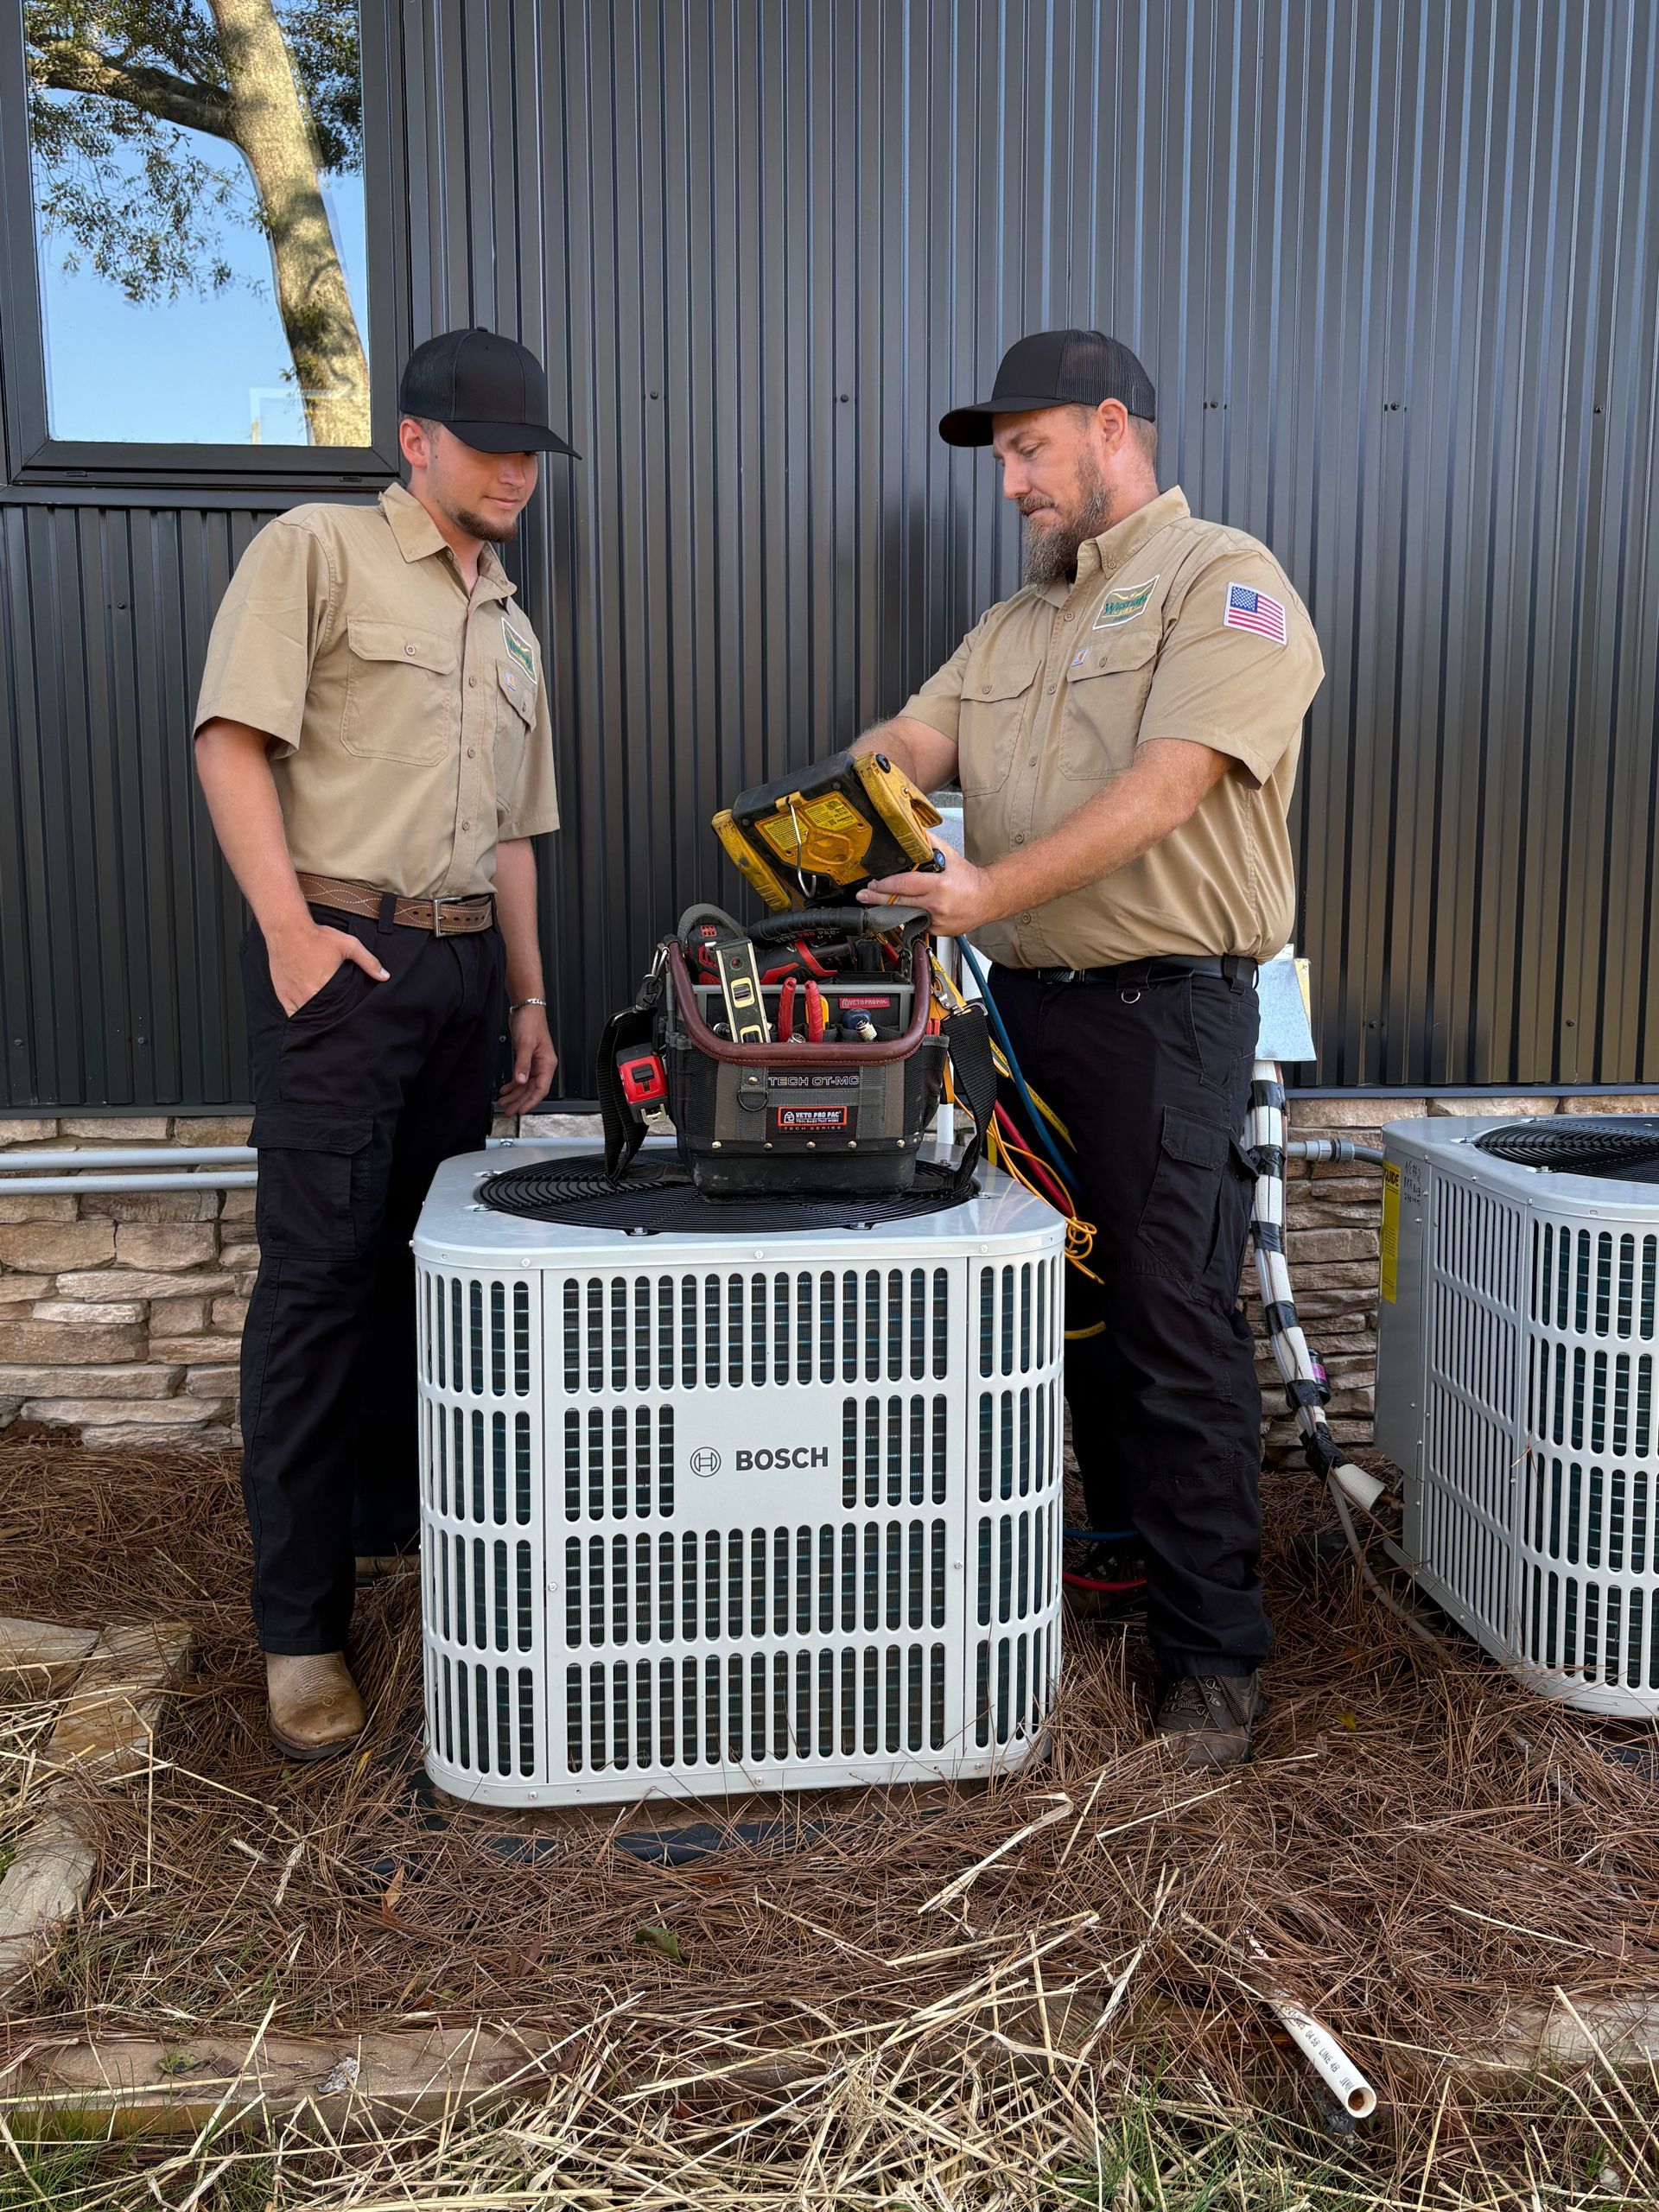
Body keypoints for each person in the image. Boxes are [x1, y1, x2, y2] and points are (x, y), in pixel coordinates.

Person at [853, 328, 1325, 1768]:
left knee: (1176, 1324)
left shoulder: (1226, 586)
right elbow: (910, 746)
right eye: (1001, 458)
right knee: (1076, 1315)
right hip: (1031, 1019)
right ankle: (1116, 1558)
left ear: (1113, 428)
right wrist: (819, 809)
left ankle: (1214, 1659)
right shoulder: (1012, 628)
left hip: (1168, 1016)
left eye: (1027, 449)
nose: (1008, 484)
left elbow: (1172, 784)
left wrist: (986, 892)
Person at [193, 327, 571, 1760]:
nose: (517, 475)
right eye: (492, 449)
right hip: (343, 963)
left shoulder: (514, 618)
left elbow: (521, 831)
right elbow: (231, 737)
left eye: (531, 454)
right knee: (318, 1291)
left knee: (432, 1287)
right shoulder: (318, 551)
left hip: (470, 971)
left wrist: (528, 1000)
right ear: (414, 440)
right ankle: (298, 1630)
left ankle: (405, 1552)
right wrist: (290, 935)